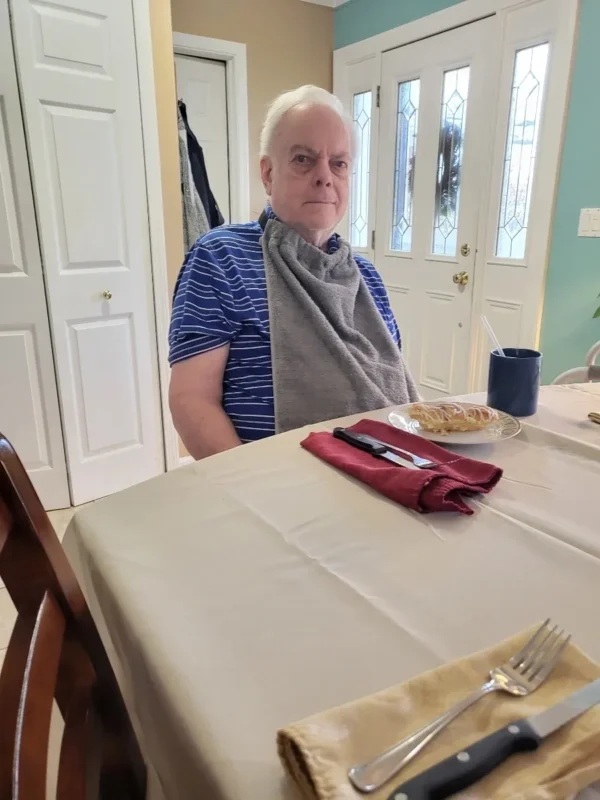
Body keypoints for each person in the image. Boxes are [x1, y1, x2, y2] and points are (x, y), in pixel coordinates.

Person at [169, 85, 418, 460]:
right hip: (276, 485)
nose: (325, 177)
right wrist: (255, 488)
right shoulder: (220, 258)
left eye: (339, 163)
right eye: (304, 159)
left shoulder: (367, 278)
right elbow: (192, 401)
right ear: (268, 174)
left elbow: (391, 385)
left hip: (385, 471)